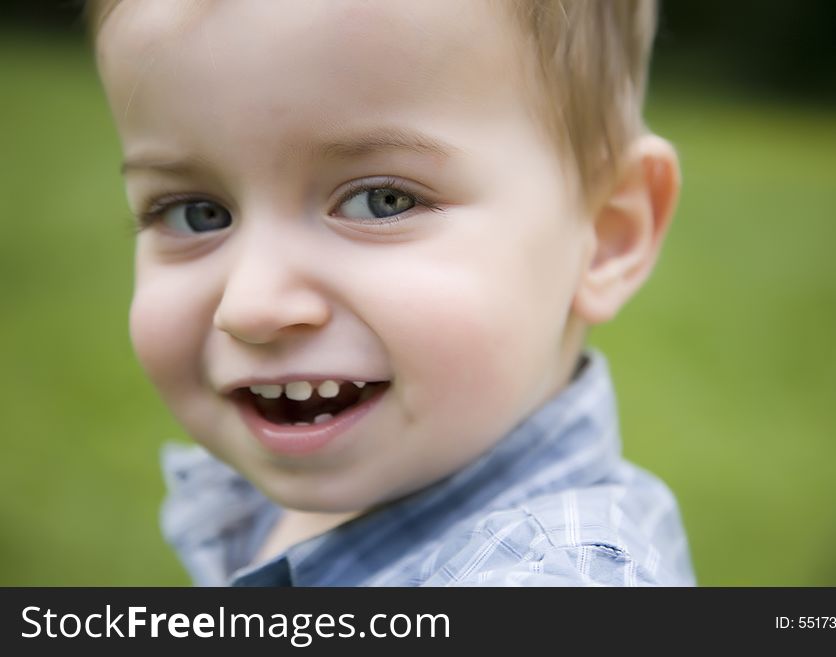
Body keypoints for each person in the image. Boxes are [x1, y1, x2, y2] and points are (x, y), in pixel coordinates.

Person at [87, 0, 696, 586]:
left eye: (382, 201)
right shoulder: (272, 505)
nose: (251, 306)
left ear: (608, 234)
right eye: (196, 214)